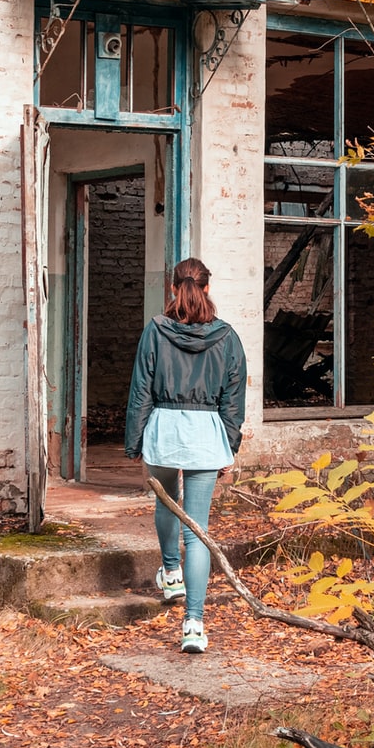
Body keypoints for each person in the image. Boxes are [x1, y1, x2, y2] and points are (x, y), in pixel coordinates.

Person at [124, 257, 246, 654]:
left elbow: (141, 388)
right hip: (206, 433)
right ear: (207, 288)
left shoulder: (155, 331)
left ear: (173, 287)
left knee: (166, 501)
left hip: (164, 427)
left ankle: (171, 571)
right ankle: (194, 624)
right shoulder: (228, 337)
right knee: (198, 530)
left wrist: (135, 440)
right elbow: (233, 398)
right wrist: (229, 444)